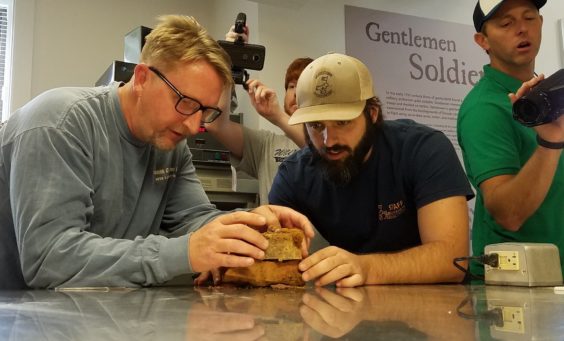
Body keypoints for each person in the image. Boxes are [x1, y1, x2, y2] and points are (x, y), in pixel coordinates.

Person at [0, 15, 314, 290]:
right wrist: (186, 253)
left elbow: (194, 219)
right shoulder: (60, 125)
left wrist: (250, 223)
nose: (194, 126)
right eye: (187, 103)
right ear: (141, 78)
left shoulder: (170, 143)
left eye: (205, 111)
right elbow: (50, 259)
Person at [269, 53, 474, 287]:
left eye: (342, 122)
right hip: (349, 310)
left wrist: (366, 268)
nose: (329, 141)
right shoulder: (294, 175)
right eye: (316, 126)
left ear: (373, 113)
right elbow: (270, 254)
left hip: (437, 309)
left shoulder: (423, 149)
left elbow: (452, 261)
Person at [457, 0, 564, 277]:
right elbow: (509, 214)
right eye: (506, 23)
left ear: (541, 23)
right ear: (483, 41)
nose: (521, 29)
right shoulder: (485, 108)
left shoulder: (550, 99)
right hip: (516, 292)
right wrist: (550, 143)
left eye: (529, 18)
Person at [205, 25, 311, 205]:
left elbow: (319, 152)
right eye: (292, 86)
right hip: (274, 234)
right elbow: (215, 124)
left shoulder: (333, 144)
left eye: (303, 86)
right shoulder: (265, 144)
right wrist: (226, 64)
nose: (295, 93)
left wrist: (277, 116)